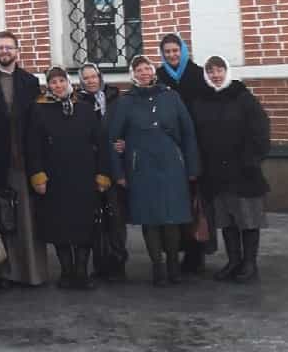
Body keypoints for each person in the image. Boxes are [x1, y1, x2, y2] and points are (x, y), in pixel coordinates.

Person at [108, 54, 199, 286]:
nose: (143, 73)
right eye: (138, 70)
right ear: (133, 74)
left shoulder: (170, 96)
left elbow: (188, 132)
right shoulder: (125, 102)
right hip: (141, 168)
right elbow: (114, 138)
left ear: (153, 71)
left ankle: (173, 266)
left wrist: (192, 166)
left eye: (147, 68)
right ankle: (157, 267)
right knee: (150, 220)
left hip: (171, 166)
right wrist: (118, 173)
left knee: (172, 218)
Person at [0, 30, 47, 285]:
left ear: (17, 51)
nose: (4, 51)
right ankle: (5, 273)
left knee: (28, 219)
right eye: (0, 47)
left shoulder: (30, 82)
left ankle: (32, 272)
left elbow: (37, 124)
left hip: (26, 159)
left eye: (9, 47)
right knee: (4, 218)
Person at [27, 67, 111, 290]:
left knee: (84, 225)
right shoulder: (39, 110)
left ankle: (82, 271)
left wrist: (102, 174)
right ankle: (66, 272)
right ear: (48, 85)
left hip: (83, 176)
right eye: (53, 82)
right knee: (60, 226)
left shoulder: (85, 109)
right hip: (55, 178)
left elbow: (101, 143)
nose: (58, 85)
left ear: (68, 82)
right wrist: (38, 175)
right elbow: (33, 145)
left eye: (61, 81)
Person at [192, 55, 271, 283]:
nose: (216, 76)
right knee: (226, 221)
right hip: (216, 173)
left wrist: (252, 159)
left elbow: (261, 130)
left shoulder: (242, 97)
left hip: (243, 172)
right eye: (211, 72)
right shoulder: (201, 101)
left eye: (219, 71)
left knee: (247, 219)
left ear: (227, 72)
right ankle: (233, 261)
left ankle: (249, 264)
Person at [157, 33, 208, 274]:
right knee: (174, 201)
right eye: (167, 52)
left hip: (194, 144)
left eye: (175, 50)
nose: (172, 55)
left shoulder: (197, 74)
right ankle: (176, 251)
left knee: (195, 202)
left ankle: (196, 252)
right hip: (168, 147)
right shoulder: (160, 76)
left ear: (183, 50)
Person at [77, 62, 127, 279]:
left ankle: (118, 263)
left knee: (115, 217)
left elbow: (126, 125)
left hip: (114, 164)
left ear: (100, 77)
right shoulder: (78, 102)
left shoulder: (116, 99)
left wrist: (124, 142)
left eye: (93, 77)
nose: (90, 81)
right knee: (96, 218)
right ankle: (100, 264)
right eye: (85, 78)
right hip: (91, 167)